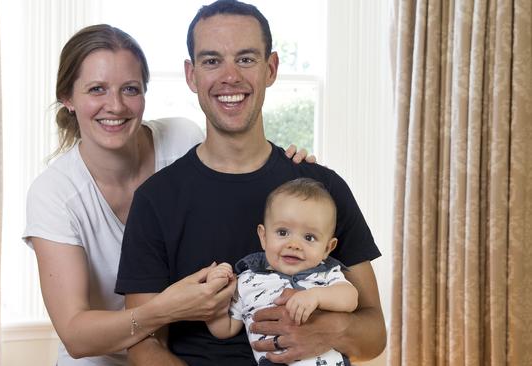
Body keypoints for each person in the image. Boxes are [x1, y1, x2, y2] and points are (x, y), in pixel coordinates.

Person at [22, 24, 314, 366]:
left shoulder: (182, 140)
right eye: (96, 89)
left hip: (180, 352)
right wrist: (167, 308)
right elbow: (74, 334)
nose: (115, 105)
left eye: (130, 89)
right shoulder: (54, 194)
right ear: (68, 98)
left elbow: (242, 180)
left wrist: (289, 170)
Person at [115, 1, 386, 365]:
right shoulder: (156, 199)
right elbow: (144, 345)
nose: (230, 77)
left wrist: (331, 330)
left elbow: (374, 337)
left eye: (245, 59)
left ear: (270, 68)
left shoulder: (323, 188)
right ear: (192, 75)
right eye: (212, 61)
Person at [205, 178, 358, 366]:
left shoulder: (325, 274)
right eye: (283, 232)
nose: (293, 245)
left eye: (309, 237)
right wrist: (214, 303)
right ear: (263, 236)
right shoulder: (246, 280)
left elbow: (350, 298)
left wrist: (316, 296)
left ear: (327, 248)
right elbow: (225, 329)